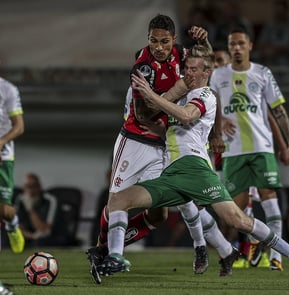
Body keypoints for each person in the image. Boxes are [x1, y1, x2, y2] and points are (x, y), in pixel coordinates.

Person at [97, 45, 289, 285]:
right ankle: (115, 257)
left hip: (196, 169)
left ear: (207, 72)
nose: (188, 72)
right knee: (119, 200)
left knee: (238, 221)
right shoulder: (182, 93)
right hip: (172, 172)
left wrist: (152, 95)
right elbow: (167, 126)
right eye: (186, 68)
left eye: (194, 69)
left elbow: (186, 116)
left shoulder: (205, 95)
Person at [87, 14, 233, 283]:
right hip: (135, 142)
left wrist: (206, 41)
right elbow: (144, 114)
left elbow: (205, 68)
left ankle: (215, 248)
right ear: (148, 40)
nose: (159, 47)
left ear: (174, 40)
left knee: (163, 211)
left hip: (164, 145)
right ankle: (103, 251)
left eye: (164, 41)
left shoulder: (182, 54)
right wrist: (179, 89)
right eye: (154, 41)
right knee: (115, 204)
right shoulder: (143, 67)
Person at [209, 26, 289, 272]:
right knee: (235, 214)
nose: (237, 48)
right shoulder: (218, 76)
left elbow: (278, 111)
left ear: (249, 46)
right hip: (232, 152)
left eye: (241, 44)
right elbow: (210, 109)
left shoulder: (262, 73)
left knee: (270, 202)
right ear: (229, 48)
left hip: (261, 148)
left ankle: (276, 258)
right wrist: (218, 128)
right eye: (232, 45)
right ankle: (255, 242)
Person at [0, 76, 25, 254]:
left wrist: (1, 142)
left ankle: (12, 225)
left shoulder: (8, 89)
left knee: (4, 210)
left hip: (3, 155)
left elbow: (19, 126)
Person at [256, 0, 289, 84]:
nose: (279, 14)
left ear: (287, 11)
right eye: (277, 11)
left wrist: (277, 50)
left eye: (282, 11)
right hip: (273, 70)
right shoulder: (269, 27)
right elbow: (261, 46)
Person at [14, 173, 63, 246]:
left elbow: (44, 229)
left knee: (39, 242)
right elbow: (18, 227)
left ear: (39, 187)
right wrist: (32, 236)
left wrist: (31, 210)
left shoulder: (49, 200)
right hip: (30, 236)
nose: (31, 190)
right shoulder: (20, 200)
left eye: (34, 186)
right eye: (28, 187)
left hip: (50, 236)